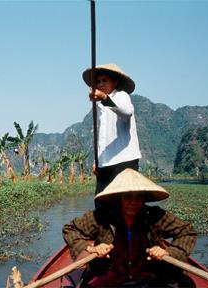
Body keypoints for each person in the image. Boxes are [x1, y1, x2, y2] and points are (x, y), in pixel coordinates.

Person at [62, 168, 197, 287]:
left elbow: (187, 231)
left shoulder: (154, 215)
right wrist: (91, 248)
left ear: (144, 198)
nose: (134, 202)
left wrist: (169, 252)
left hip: (148, 275)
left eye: (139, 197)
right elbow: (70, 229)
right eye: (128, 197)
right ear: (119, 198)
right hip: (110, 275)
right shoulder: (102, 216)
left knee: (184, 284)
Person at [82, 64, 142, 195]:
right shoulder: (99, 108)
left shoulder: (122, 96)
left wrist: (104, 98)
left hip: (124, 161)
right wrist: (97, 160)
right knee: (102, 202)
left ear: (114, 82)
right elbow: (103, 138)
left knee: (124, 202)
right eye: (98, 82)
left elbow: (127, 112)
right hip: (105, 164)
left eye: (105, 80)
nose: (101, 84)